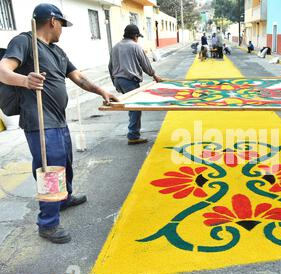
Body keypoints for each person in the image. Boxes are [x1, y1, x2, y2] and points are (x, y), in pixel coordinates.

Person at [0, 3, 118, 244]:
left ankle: (64, 198)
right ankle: (48, 223)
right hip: (40, 122)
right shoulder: (24, 42)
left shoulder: (57, 51)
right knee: (49, 168)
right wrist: (26, 80)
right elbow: (3, 70)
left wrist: (102, 92)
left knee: (65, 162)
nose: (62, 29)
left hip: (59, 120)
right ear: (52, 21)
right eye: (62, 24)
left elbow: (79, 77)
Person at [109, 24, 162, 145]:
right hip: (129, 81)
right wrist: (154, 75)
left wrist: (115, 82)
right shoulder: (135, 46)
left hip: (118, 80)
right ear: (135, 36)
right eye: (138, 36)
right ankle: (133, 135)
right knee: (135, 108)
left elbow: (110, 66)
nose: (138, 39)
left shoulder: (115, 47)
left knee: (131, 106)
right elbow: (145, 64)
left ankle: (133, 133)